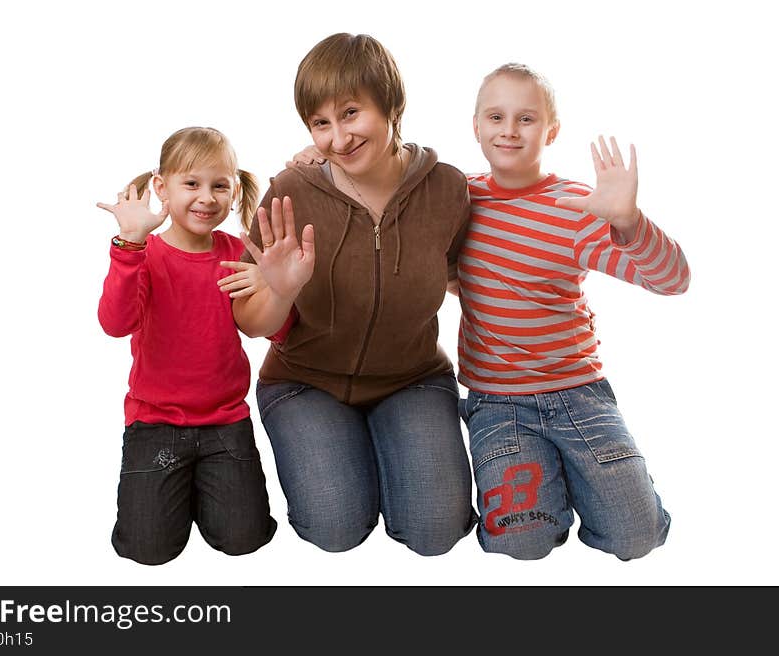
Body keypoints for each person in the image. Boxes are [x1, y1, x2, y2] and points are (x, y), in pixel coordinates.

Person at [233, 33, 477, 556]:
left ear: (391, 104)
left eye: (350, 113)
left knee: (436, 533)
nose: (338, 138)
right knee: (335, 529)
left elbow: (465, 277)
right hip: (305, 382)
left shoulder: (448, 190)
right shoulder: (291, 192)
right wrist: (281, 288)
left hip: (412, 380)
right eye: (320, 123)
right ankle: (344, 451)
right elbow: (252, 322)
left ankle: (394, 448)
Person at [457, 63, 689, 559]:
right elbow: (397, 172)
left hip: (578, 396)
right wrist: (312, 159)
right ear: (475, 126)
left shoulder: (577, 208)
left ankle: (589, 484)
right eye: (496, 117)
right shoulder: (459, 197)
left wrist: (629, 222)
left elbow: (672, 280)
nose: (509, 130)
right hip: (500, 401)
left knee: (637, 537)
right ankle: (546, 487)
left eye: (526, 119)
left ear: (551, 130)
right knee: (521, 541)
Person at [97, 126, 277, 565]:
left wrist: (271, 282)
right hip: (155, 422)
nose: (206, 197)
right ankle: (176, 494)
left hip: (225, 421)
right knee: (147, 550)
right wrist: (129, 245)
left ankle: (204, 490)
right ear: (162, 187)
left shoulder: (239, 252)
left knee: (244, 539)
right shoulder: (144, 253)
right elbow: (114, 323)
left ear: (234, 192)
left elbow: (274, 327)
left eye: (220, 185)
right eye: (191, 184)